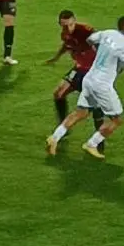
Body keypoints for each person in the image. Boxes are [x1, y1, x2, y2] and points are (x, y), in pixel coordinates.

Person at [46, 16, 124, 160]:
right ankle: (92, 144)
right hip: (102, 85)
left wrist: (102, 53)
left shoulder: (108, 33)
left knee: (81, 113)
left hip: (89, 78)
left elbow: (90, 40)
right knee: (116, 120)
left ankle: (54, 138)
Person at [45, 10, 105, 153]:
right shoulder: (65, 33)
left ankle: (99, 140)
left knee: (96, 107)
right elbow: (67, 45)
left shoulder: (85, 31)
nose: (67, 28)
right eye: (64, 26)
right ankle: (63, 126)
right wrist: (56, 57)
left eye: (70, 25)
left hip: (93, 72)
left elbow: (101, 43)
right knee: (58, 93)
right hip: (79, 69)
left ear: (74, 21)